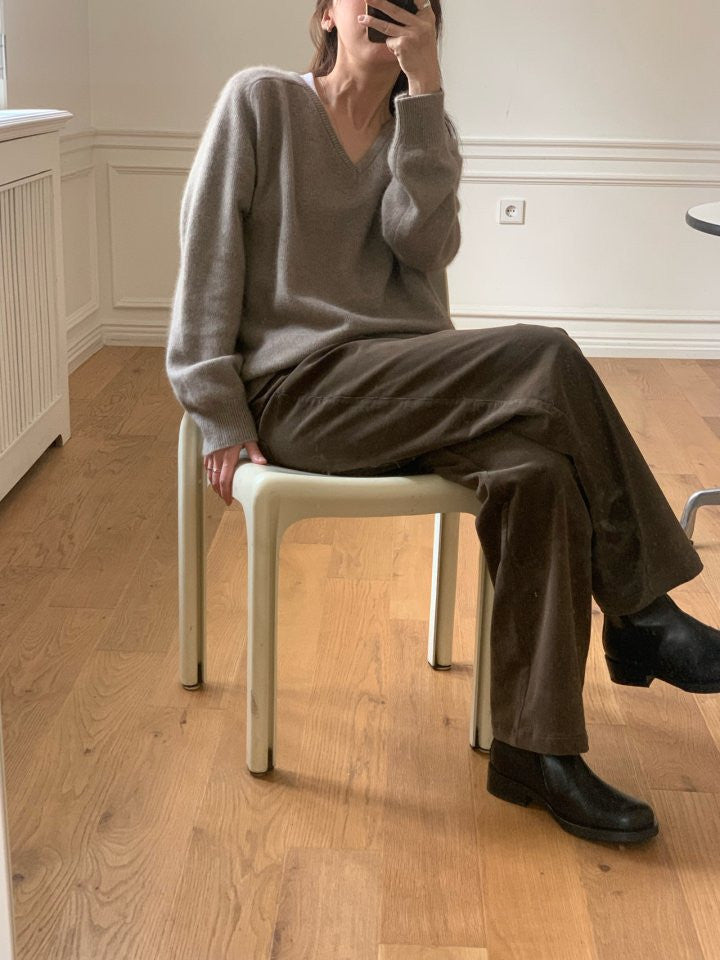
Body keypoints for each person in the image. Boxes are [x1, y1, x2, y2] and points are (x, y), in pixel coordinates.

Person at [165, 0, 720, 845]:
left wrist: (423, 99)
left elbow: (422, 247)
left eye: (411, 1)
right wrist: (215, 409)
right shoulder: (261, 102)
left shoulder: (422, 131)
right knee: (547, 355)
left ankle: (536, 751)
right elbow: (207, 257)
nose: (387, 8)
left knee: (538, 473)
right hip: (299, 392)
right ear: (326, 14)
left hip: (413, 386)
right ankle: (641, 610)